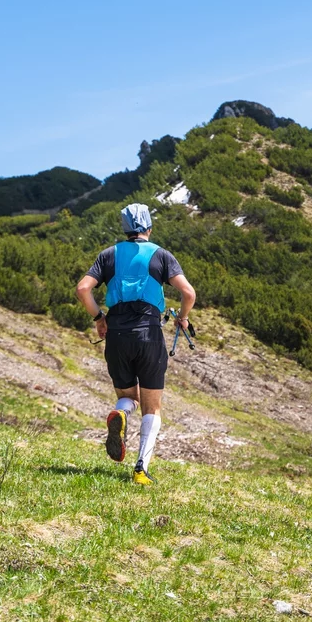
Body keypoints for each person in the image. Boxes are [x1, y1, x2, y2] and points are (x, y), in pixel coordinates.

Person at [76, 203, 196, 485]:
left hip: (117, 334)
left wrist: (98, 318)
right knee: (152, 407)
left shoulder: (109, 255)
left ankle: (121, 412)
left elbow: (83, 289)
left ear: (125, 229)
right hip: (149, 334)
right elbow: (188, 293)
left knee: (129, 395)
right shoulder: (161, 255)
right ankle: (141, 468)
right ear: (149, 228)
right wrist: (184, 318)